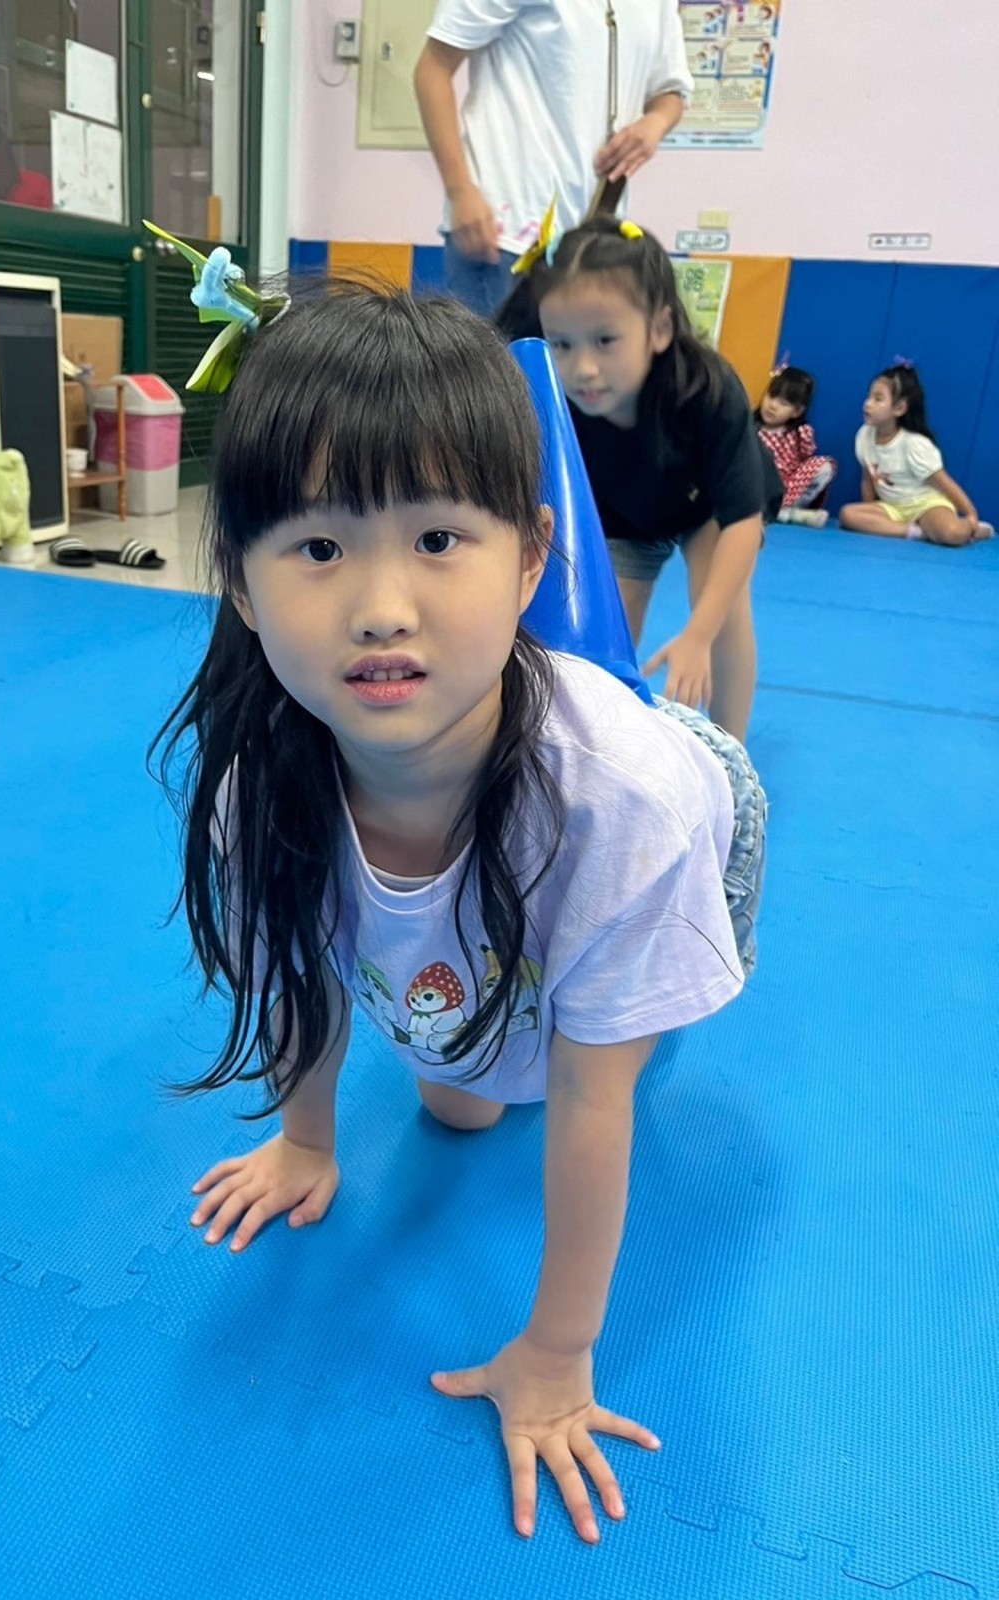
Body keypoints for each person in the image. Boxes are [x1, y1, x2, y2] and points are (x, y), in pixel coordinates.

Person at [158, 285, 765, 1547]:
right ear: (241, 583)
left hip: (696, 806)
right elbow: (303, 971)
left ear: (533, 555)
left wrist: (558, 1350)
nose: (382, 606)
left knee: (604, 1055)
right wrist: (308, 1142)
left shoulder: (623, 808)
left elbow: (591, 1103)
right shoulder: (260, 785)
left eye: (438, 538)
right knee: (460, 1103)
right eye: (318, 549)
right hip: (517, 846)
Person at [495, 214, 782, 744]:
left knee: (723, 607)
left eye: (605, 340)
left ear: (660, 329)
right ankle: (604, 749)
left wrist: (698, 635)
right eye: (562, 343)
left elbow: (742, 523)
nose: (583, 367)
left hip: (705, 510)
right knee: (605, 633)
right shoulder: (553, 401)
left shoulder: (708, 391)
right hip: (625, 518)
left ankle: (732, 754)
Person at [413, 0, 692, 317]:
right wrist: (460, 190)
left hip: (595, 240)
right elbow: (432, 70)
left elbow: (671, 90)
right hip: (504, 233)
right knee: (494, 350)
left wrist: (655, 124)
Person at [840, 363, 993, 546]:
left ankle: (974, 529)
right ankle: (915, 532)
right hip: (893, 509)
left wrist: (970, 514)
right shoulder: (864, 435)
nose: (868, 403)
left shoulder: (913, 444)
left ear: (899, 408)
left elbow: (944, 482)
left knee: (952, 534)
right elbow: (868, 479)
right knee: (847, 515)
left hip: (925, 505)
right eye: (869, 396)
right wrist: (870, 513)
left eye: (878, 399)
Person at [755, 364, 836, 527]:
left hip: (787, 488)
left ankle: (786, 510)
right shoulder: (751, 429)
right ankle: (790, 515)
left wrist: (805, 437)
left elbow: (805, 458)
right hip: (758, 487)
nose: (773, 405)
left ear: (797, 411)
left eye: (783, 403)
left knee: (824, 466)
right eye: (771, 396)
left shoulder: (798, 433)